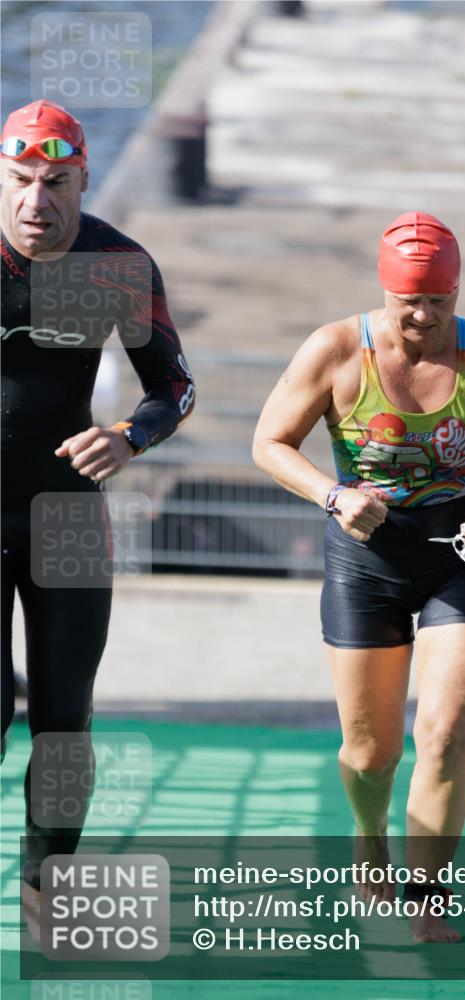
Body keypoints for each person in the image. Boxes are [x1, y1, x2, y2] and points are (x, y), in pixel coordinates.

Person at [253, 212, 465, 943]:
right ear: (382, 291)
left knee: (445, 732)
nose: (419, 318)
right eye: (404, 302)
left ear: (455, 294)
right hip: (365, 560)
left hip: (461, 556)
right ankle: (368, 837)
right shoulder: (334, 350)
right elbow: (269, 442)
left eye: (435, 304)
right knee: (370, 751)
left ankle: (426, 896)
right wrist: (333, 494)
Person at [0, 100, 196, 925]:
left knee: (64, 713)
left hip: (68, 516)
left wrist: (128, 438)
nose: (34, 204)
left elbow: (174, 386)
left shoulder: (118, 263)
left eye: (55, 183)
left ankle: (47, 885)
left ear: (81, 179)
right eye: (19, 181)